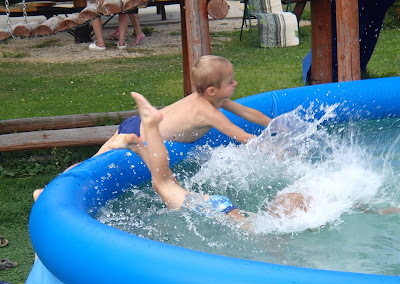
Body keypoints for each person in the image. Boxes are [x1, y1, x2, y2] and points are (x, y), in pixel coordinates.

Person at [33, 55, 272, 200]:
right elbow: (238, 134)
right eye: (230, 82)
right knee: (93, 165)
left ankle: (50, 189)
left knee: (93, 160)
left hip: (139, 124)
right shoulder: (207, 110)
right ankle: (50, 192)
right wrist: (267, 148)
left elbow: (247, 112)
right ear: (212, 90)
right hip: (142, 131)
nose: (236, 83)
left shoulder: (214, 99)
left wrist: (273, 124)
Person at [110, 92, 309, 224]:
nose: (235, 85)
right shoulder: (269, 228)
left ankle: (146, 132)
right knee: (165, 182)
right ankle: (141, 140)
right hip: (219, 206)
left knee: (164, 182)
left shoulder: (205, 102)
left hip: (215, 206)